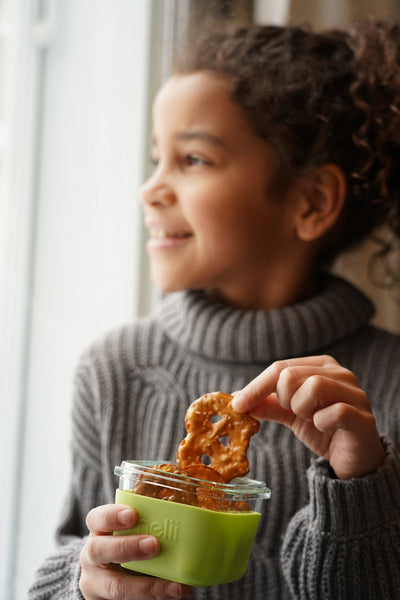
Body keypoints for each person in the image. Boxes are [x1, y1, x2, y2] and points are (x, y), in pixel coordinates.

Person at [28, 18, 400, 600]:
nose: (151, 188)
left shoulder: (388, 390)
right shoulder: (112, 370)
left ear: (313, 201)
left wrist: (358, 485)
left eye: (193, 159)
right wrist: (83, 581)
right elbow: (73, 549)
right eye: (157, 158)